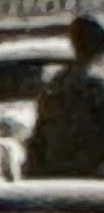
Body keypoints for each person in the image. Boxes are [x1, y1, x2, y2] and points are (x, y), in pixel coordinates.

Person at [24, 14, 104, 179]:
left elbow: (40, 134)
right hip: (74, 175)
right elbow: (42, 131)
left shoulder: (59, 81)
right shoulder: (61, 82)